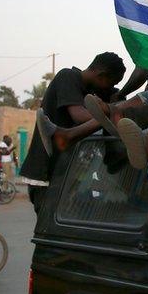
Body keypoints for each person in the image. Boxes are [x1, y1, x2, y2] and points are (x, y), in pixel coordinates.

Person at [21, 52, 126, 212]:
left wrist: (118, 102)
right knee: (50, 225)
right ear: (101, 75)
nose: (109, 88)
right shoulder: (68, 77)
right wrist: (112, 114)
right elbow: (79, 116)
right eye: (110, 83)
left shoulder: (92, 91)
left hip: (67, 171)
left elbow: (116, 97)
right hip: (46, 171)